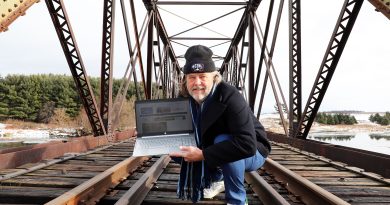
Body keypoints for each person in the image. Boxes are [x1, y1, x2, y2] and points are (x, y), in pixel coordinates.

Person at [170, 45, 271, 205]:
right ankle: (217, 178)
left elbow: (247, 145)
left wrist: (203, 155)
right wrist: (151, 133)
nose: (197, 83)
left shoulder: (229, 95)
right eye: (191, 77)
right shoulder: (184, 98)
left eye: (203, 76)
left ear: (214, 77)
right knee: (178, 147)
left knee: (223, 139)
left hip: (253, 151)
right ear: (185, 79)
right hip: (213, 146)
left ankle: (237, 200)